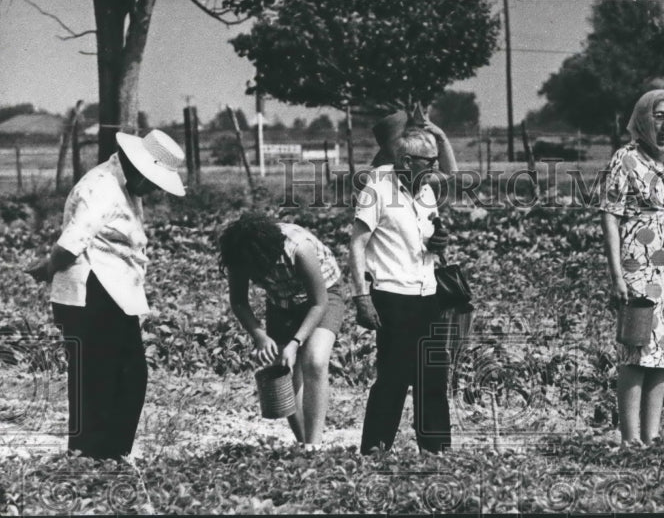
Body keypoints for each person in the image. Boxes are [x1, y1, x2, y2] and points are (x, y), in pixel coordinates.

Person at [25, 130, 186, 459]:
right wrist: (47, 268)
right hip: (90, 291)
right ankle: (89, 456)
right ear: (140, 169)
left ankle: (112, 454)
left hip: (113, 292)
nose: (154, 190)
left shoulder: (125, 185)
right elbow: (72, 243)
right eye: (154, 182)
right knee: (95, 377)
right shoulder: (100, 186)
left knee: (129, 374)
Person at [599, 89, 664, 446]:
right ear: (644, 119)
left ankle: (652, 436)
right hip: (637, 265)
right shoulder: (625, 159)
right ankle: (630, 438)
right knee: (636, 350)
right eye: (659, 117)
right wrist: (616, 273)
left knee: (663, 353)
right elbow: (609, 216)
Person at [350, 126, 451, 455]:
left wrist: (440, 241)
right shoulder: (377, 187)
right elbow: (357, 244)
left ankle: (435, 451)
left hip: (428, 293)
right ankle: (375, 451)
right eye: (429, 162)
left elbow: (431, 236)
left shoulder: (426, 190)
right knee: (392, 378)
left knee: (432, 378)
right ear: (407, 161)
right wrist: (361, 297)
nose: (435, 169)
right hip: (392, 296)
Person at [217, 211, 344, 445]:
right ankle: (303, 442)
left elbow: (319, 302)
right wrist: (260, 336)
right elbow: (239, 302)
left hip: (322, 296)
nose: (253, 276)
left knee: (315, 361)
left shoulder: (298, 249)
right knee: (283, 367)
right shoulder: (240, 254)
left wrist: (295, 343)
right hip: (281, 302)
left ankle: (314, 447)